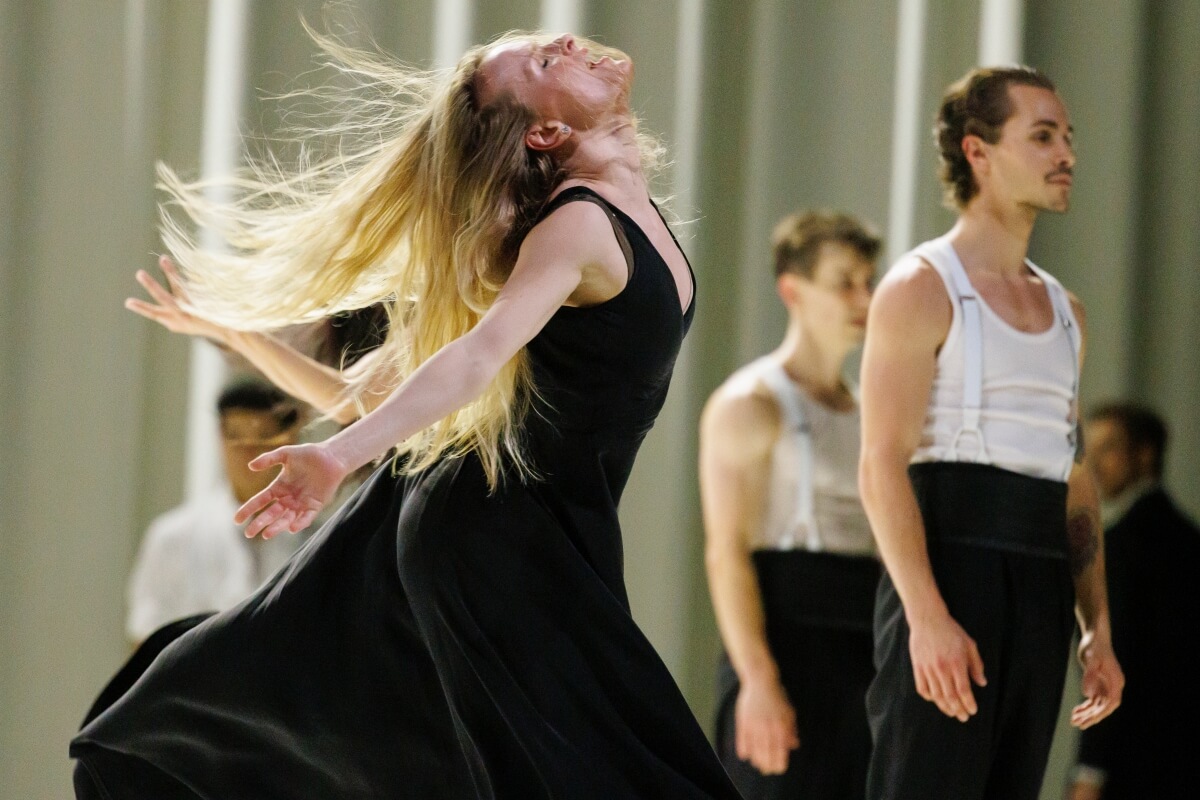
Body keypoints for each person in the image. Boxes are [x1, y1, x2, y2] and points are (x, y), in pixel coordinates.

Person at [71, 30, 743, 800]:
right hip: (490, 539)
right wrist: (336, 455)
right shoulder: (576, 226)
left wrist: (250, 346)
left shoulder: (592, 220)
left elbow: (371, 394)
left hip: (543, 539)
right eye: (543, 62)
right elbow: (471, 360)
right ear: (547, 132)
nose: (563, 41)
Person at [857, 66, 1124, 800]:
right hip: (950, 574)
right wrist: (927, 617)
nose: (1065, 152)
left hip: (1039, 588)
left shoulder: (1067, 310)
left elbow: (1072, 480)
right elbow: (880, 465)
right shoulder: (920, 286)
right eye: (1042, 136)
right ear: (977, 152)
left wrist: (1095, 627)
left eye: (1068, 136)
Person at [701, 210, 880, 800]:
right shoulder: (749, 404)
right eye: (843, 281)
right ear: (792, 290)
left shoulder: (874, 416)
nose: (863, 297)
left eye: (868, 280)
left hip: (867, 655)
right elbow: (726, 554)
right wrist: (758, 680)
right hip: (786, 652)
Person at [1068, 404, 1200, 800]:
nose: (1095, 464)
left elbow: (1111, 661)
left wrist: (1090, 771)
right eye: (1089, 450)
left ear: (1144, 454)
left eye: (1109, 448)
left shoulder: (1122, 548)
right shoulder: (1189, 538)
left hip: (1129, 764)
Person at [125, 377, 304, 645]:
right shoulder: (173, 537)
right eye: (236, 438)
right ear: (220, 436)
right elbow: (146, 640)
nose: (249, 454)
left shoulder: (316, 537)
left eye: (263, 438)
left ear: (289, 440)